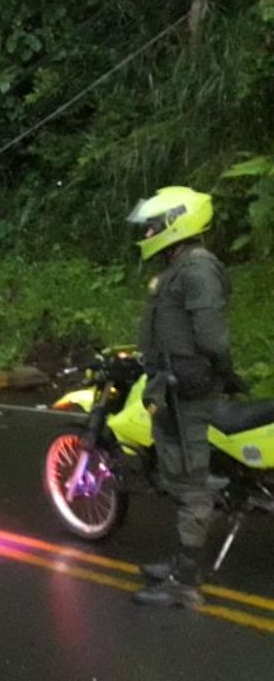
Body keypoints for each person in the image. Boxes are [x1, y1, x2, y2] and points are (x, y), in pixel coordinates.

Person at [128, 186, 244, 608]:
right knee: (175, 471)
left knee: (193, 481)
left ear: (179, 222)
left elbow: (212, 337)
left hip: (189, 391)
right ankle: (181, 561)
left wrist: (222, 372)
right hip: (170, 388)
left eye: (155, 224)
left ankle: (186, 581)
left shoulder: (198, 270)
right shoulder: (177, 267)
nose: (149, 231)